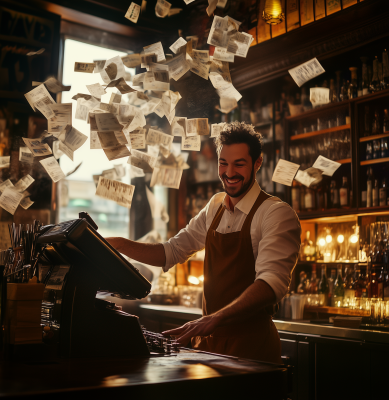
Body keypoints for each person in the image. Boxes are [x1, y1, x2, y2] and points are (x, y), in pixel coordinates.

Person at [106, 121, 301, 364]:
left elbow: (271, 284)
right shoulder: (215, 206)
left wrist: (213, 318)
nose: (229, 173)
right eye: (223, 163)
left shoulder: (275, 213)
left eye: (239, 164)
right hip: (208, 344)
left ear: (257, 163)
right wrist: (116, 244)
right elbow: (171, 252)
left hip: (251, 347)